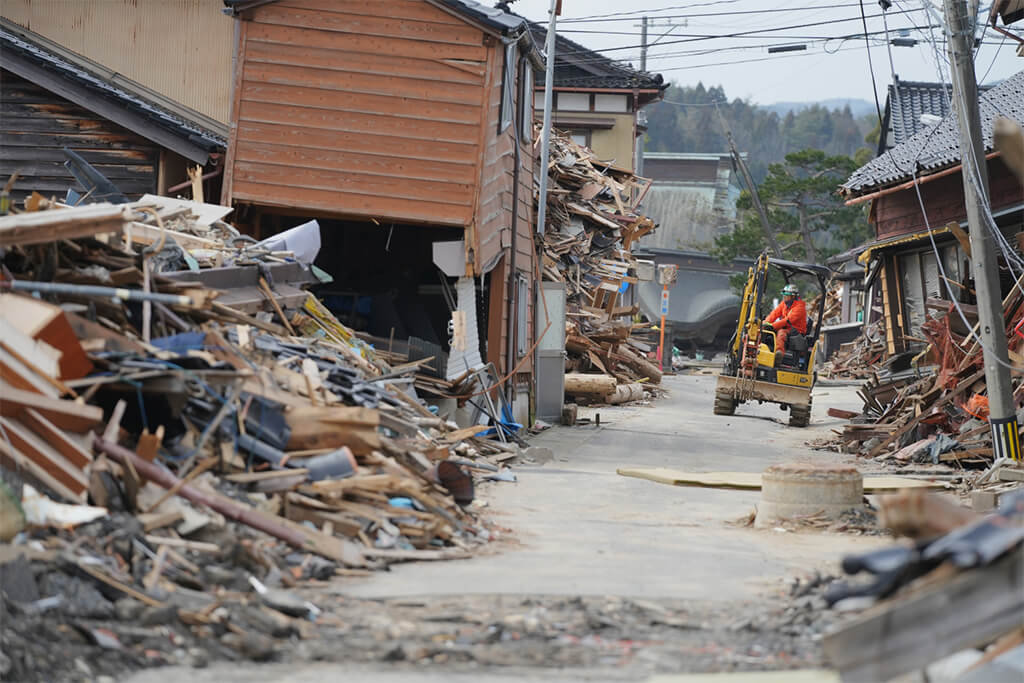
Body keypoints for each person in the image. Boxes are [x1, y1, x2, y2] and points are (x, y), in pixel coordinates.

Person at [764, 283, 807, 359]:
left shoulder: (800, 307)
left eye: (786, 295)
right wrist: (765, 323)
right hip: (786, 327)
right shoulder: (784, 304)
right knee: (765, 330)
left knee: (781, 333)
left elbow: (788, 321)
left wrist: (773, 326)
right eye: (784, 295)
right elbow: (774, 314)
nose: (784, 297)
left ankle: (779, 354)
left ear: (793, 296)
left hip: (796, 331)